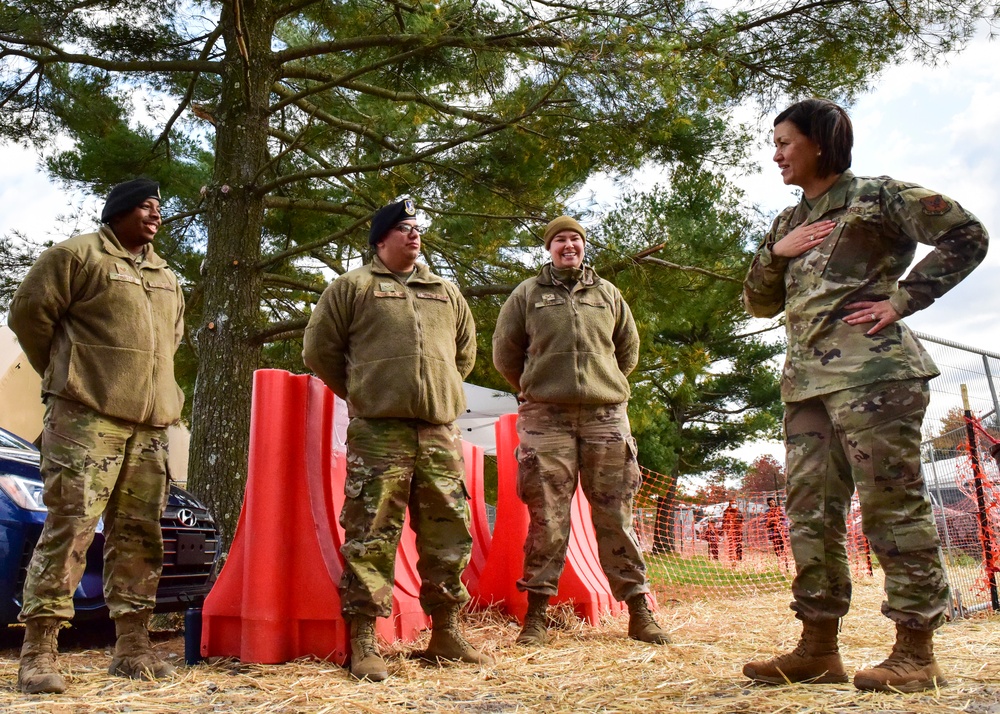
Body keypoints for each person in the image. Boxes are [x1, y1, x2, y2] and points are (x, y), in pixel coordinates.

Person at [741, 98, 988, 693]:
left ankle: (915, 651)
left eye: (785, 142)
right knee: (810, 515)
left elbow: (967, 234)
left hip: (875, 377)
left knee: (890, 508)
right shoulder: (786, 222)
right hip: (806, 387)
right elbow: (758, 301)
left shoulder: (879, 197)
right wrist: (777, 252)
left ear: (820, 143)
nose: (775, 154)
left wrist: (904, 300)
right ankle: (818, 647)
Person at [302, 198, 492, 681]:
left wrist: (436, 393)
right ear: (380, 238)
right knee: (371, 533)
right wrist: (368, 392)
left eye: (417, 228)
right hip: (378, 430)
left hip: (437, 431)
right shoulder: (352, 288)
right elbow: (319, 350)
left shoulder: (445, 292)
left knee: (449, 530)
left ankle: (446, 634)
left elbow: (463, 355)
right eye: (404, 228)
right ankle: (363, 642)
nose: (414, 235)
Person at [8, 179, 184, 694]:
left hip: (150, 428)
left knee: (139, 536)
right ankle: (39, 652)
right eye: (145, 206)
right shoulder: (76, 256)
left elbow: (171, 340)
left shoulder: (166, 275)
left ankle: (132, 648)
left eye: (159, 207)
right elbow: (28, 316)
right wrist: (68, 377)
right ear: (119, 211)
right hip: (86, 417)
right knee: (71, 527)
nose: (155, 215)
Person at [492, 216, 670, 647]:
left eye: (574, 239)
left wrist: (600, 385)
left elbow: (627, 351)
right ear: (548, 248)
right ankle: (536, 616)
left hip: (605, 416)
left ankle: (639, 612)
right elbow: (504, 354)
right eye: (559, 240)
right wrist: (535, 389)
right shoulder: (527, 295)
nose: (567, 245)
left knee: (616, 515)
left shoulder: (608, 294)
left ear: (583, 246)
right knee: (547, 518)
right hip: (545, 418)